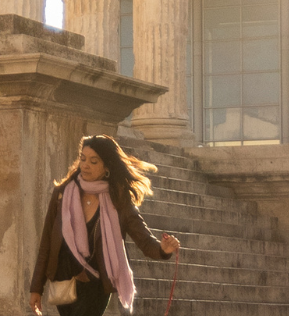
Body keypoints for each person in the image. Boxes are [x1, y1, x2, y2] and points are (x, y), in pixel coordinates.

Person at [28, 135, 181, 316]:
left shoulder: (119, 199)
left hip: (96, 284)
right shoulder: (63, 193)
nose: (85, 165)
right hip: (64, 279)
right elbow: (46, 242)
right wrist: (36, 288)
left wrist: (163, 249)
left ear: (107, 166)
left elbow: (145, 241)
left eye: (93, 161)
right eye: (82, 159)